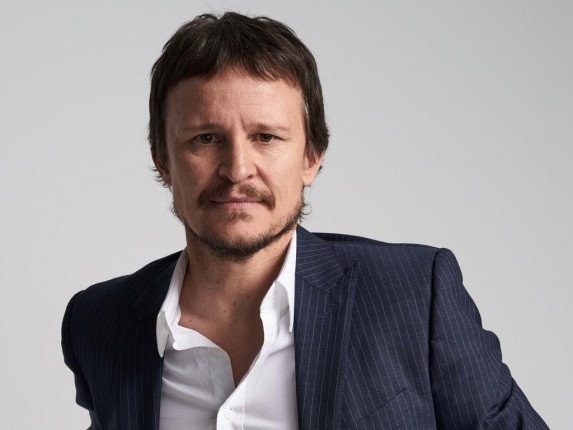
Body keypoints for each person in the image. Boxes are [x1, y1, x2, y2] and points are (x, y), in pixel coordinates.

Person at [61, 12, 548, 430]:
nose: (237, 169)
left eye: (266, 137)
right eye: (205, 138)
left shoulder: (415, 297)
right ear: (162, 160)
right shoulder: (99, 324)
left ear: (312, 156)